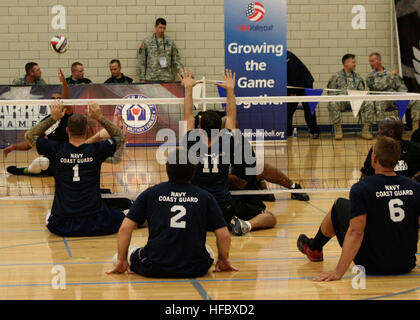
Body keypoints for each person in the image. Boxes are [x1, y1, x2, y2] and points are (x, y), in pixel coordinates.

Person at [297, 135, 420, 280]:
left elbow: (355, 232)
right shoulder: (415, 187)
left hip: (370, 265)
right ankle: (314, 247)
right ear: (397, 160)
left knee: (339, 205)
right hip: (405, 264)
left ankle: (314, 248)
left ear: (374, 159)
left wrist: (338, 271)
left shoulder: (361, 188)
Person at [106, 149, 238, 277]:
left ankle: (121, 262)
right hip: (195, 268)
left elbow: (125, 228)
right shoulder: (205, 196)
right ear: (194, 170)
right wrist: (223, 259)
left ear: (167, 170)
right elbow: (224, 235)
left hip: (153, 266)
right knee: (207, 249)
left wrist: (122, 260)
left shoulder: (150, 193)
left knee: (122, 254)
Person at [180, 68, 276, 236]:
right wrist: (230, 90)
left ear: (199, 128)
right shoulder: (228, 140)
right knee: (270, 217)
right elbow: (231, 117)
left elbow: (187, 115)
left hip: (197, 204)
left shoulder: (191, 140)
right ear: (220, 129)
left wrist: (188, 88)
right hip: (223, 206)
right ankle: (246, 225)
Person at [23, 101, 127, 236]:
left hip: (61, 224)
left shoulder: (56, 150)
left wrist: (53, 118)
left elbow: (29, 136)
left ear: (67, 130)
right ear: (87, 130)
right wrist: (99, 117)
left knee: (49, 215)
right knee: (130, 217)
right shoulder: (96, 150)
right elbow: (121, 135)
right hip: (95, 222)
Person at [6, 69, 71, 176]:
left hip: (65, 157)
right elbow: (30, 143)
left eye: (59, 98)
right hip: (50, 158)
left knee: (42, 163)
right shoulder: (46, 120)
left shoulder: (67, 115)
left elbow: (66, 99)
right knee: (42, 161)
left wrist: (64, 83)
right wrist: (14, 147)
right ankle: (28, 170)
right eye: (53, 99)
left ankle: (26, 171)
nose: (56, 100)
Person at [327, 54, 375, 140]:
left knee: (369, 103)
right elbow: (330, 92)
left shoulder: (357, 77)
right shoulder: (336, 77)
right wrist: (337, 95)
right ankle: (338, 131)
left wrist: (360, 95)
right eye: (353, 62)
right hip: (342, 102)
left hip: (356, 102)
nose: (355, 64)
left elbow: (362, 91)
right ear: (346, 63)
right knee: (332, 103)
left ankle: (366, 131)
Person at [366, 52, 410, 122]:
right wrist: (390, 75)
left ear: (379, 60)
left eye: (372, 61)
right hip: (381, 99)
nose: (370, 63)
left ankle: (414, 129)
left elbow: (401, 86)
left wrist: (402, 97)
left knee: (415, 101)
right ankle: (382, 129)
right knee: (379, 103)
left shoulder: (390, 72)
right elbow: (379, 87)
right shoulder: (370, 76)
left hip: (394, 98)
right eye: (370, 61)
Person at [286, 51, 320, 139]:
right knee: (288, 109)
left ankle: (314, 131)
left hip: (305, 83)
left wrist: (293, 91)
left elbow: (294, 72)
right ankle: (287, 131)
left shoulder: (287, 55)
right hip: (292, 85)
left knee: (309, 108)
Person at [138, 18, 184, 82]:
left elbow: (176, 60)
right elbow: (142, 61)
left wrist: (183, 74)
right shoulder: (147, 41)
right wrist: (142, 78)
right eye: (160, 27)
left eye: (164, 28)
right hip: (151, 78)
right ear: (155, 27)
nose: (162, 30)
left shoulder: (170, 42)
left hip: (166, 77)